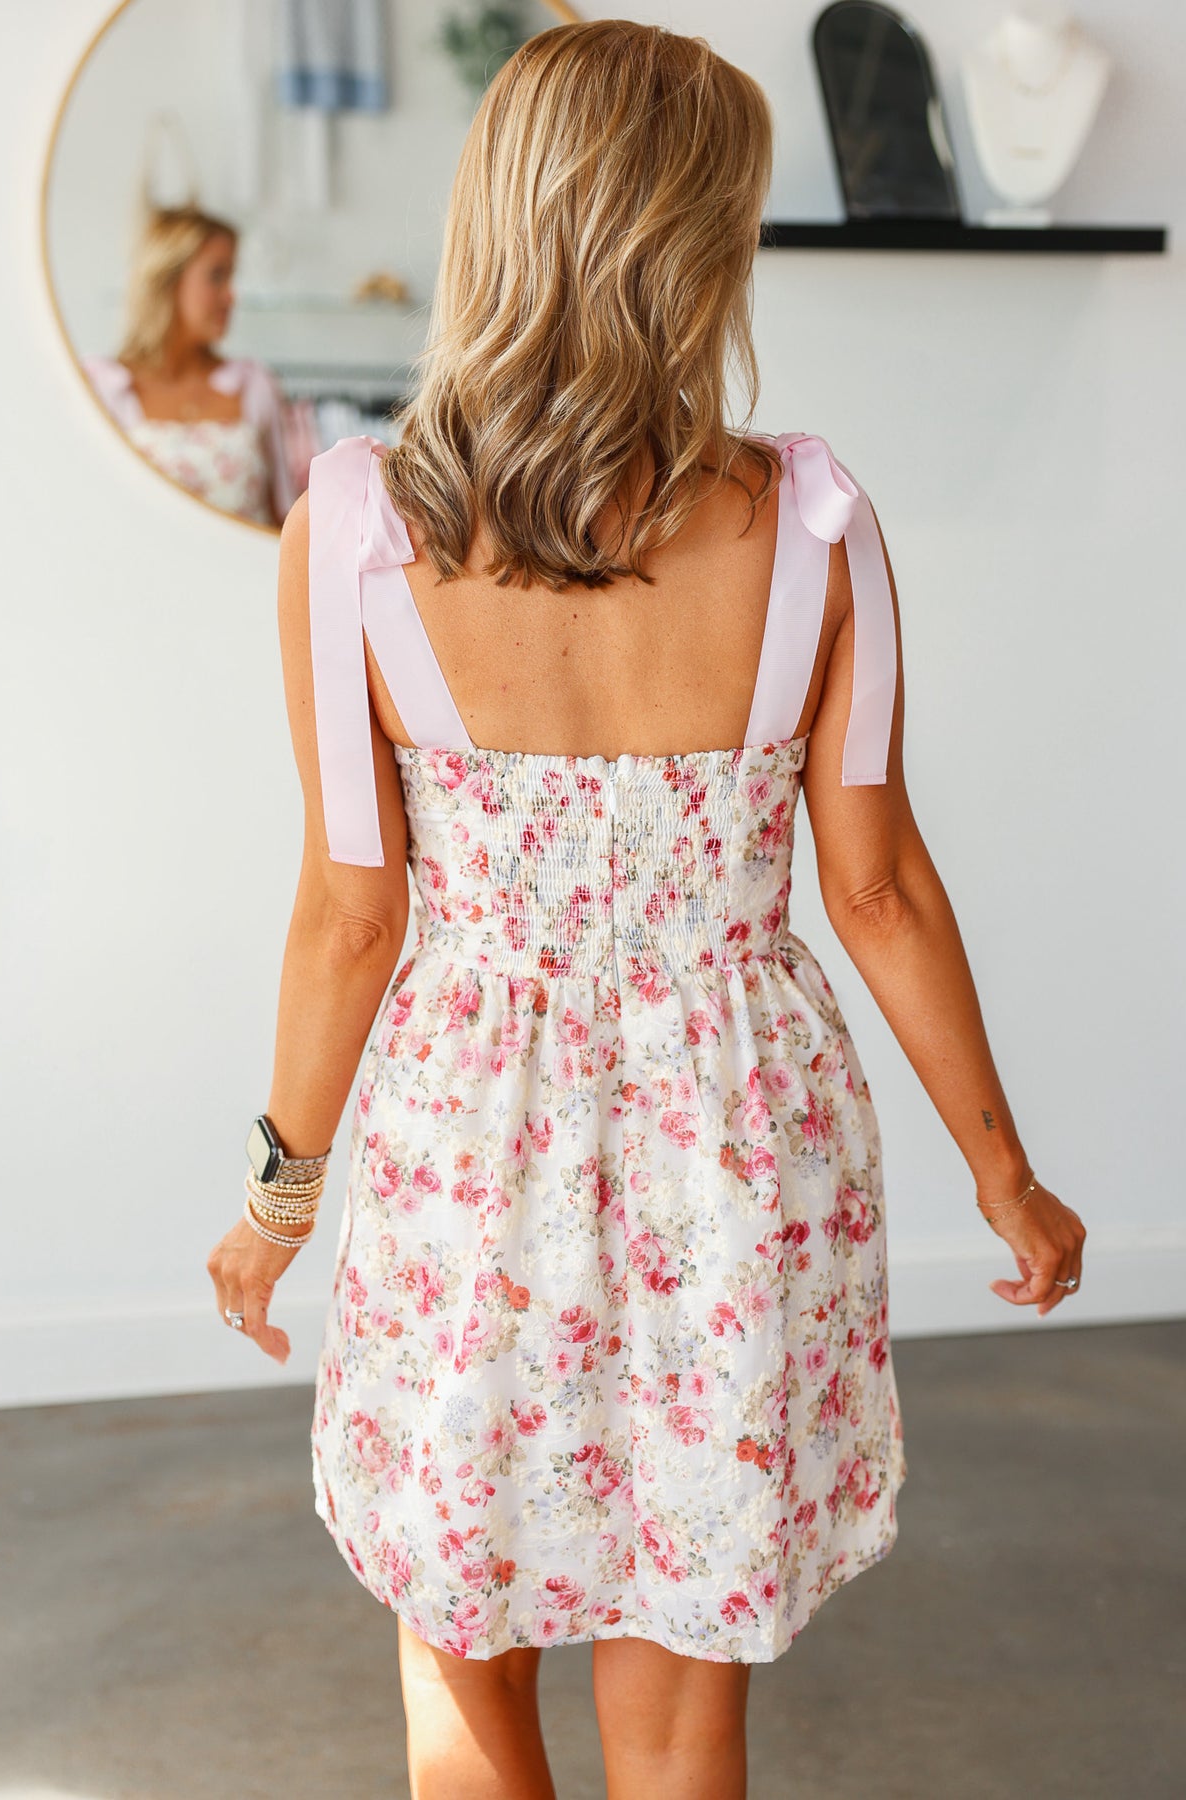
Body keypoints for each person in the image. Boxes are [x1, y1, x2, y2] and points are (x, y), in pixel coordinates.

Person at [205, 20, 1086, 1799]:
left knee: (462, 1674)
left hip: (475, 1145)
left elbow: (353, 918)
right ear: (695, 246)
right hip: (736, 1142)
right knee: (682, 1702)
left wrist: (276, 1202)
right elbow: (879, 888)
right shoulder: (813, 522)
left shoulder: (359, 528)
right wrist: (1009, 1175)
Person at [83, 204, 298, 528]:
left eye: (231, 277)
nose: (231, 296)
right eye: (217, 276)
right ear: (168, 280)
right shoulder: (105, 386)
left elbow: (284, 518)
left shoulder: (254, 384)